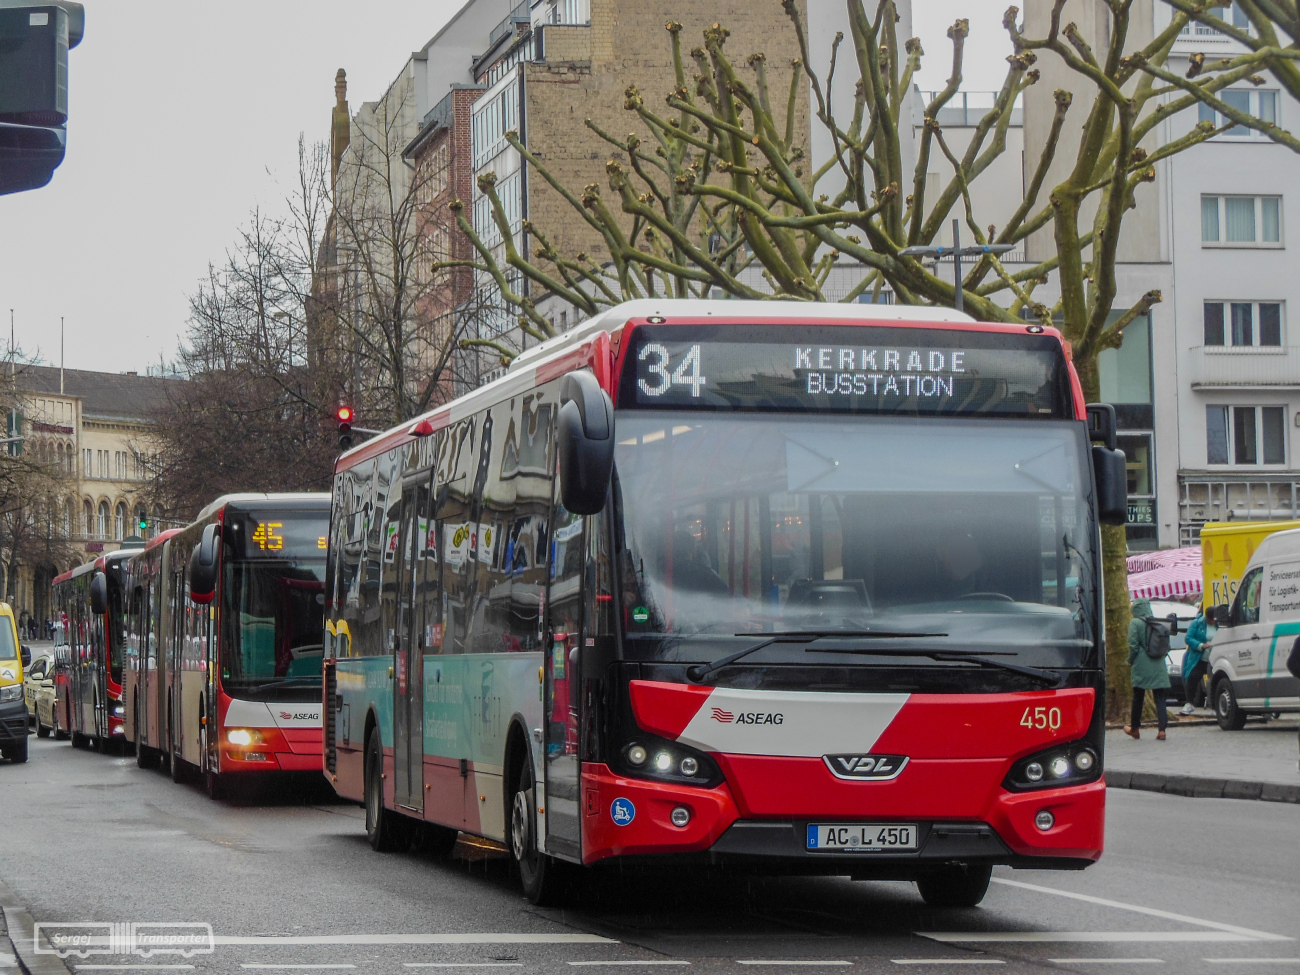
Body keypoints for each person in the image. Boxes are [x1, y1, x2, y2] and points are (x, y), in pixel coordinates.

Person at [1125, 597, 1171, 740]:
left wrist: (1130, 661)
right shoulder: (1156, 622)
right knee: (1160, 697)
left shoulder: (1135, 623)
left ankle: (1135, 729)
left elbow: (1133, 645)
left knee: (1138, 696)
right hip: (1158, 663)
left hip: (1141, 664)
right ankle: (1162, 730)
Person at [1180, 604, 1212, 715]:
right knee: (1192, 678)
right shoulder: (1197, 623)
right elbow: (1188, 638)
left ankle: (1214, 705)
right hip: (1199, 657)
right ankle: (1190, 703)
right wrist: (1200, 645)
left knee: (1216, 680)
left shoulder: (1219, 625)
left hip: (1214, 658)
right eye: (1209, 619)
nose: (1211, 621)